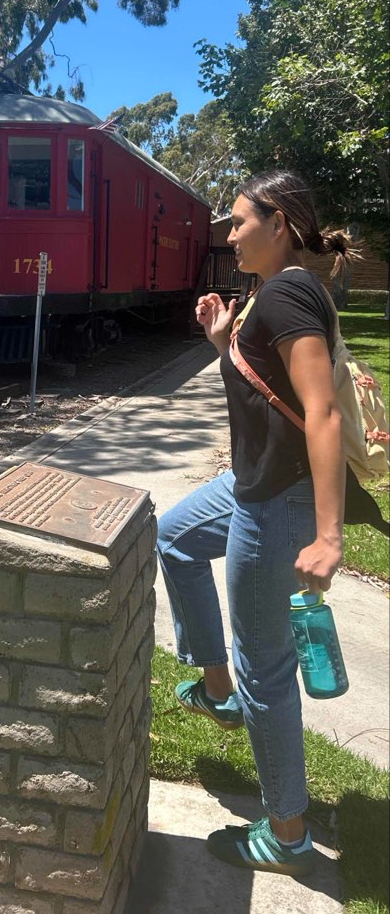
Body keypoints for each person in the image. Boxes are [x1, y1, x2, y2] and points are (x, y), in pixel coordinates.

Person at [157, 169, 358, 877]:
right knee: (173, 534)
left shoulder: (291, 292)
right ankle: (217, 692)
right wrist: (221, 339)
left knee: (265, 671)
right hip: (249, 488)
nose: (228, 232)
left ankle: (287, 833)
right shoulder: (262, 298)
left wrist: (327, 536)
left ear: (278, 224)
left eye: (240, 221)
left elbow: (322, 413)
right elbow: (265, 392)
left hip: (279, 502)